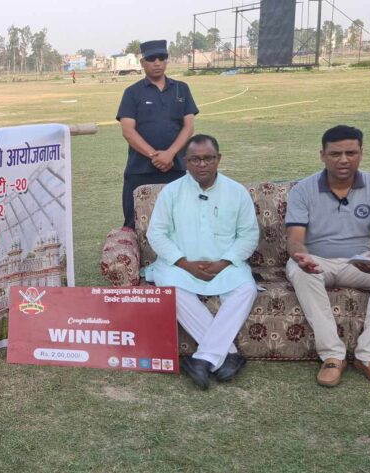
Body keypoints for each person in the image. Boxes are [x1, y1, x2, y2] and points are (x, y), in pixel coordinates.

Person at [285, 125, 370, 391]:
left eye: (351, 153)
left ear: (361, 153)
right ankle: (332, 356)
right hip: (318, 261)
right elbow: (295, 239)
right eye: (335, 154)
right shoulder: (303, 189)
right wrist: (302, 256)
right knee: (296, 268)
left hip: (359, 263)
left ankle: (369, 356)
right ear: (322, 155)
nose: (343, 160)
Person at [145, 135, 259, 390]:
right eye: (195, 159)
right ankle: (227, 355)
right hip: (180, 266)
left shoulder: (236, 192)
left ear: (219, 159)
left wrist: (223, 263)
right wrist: (184, 263)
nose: (202, 164)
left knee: (246, 289)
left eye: (208, 158)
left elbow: (249, 235)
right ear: (185, 161)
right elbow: (157, 234)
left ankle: (203, 359)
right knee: (170, 290)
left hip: (225, 265)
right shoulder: (171, 192)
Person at [116, 39, 199, 229]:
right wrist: (155, 156)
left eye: (162, 58)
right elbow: (128, 131)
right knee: (135, 223)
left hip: (175, 168)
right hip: (140, 170)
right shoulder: (132, 92)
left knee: (178, 222)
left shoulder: (181, 89)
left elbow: (188, 127)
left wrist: (170, 154)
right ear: (142, 62)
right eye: (151, 59)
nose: (157, 63)